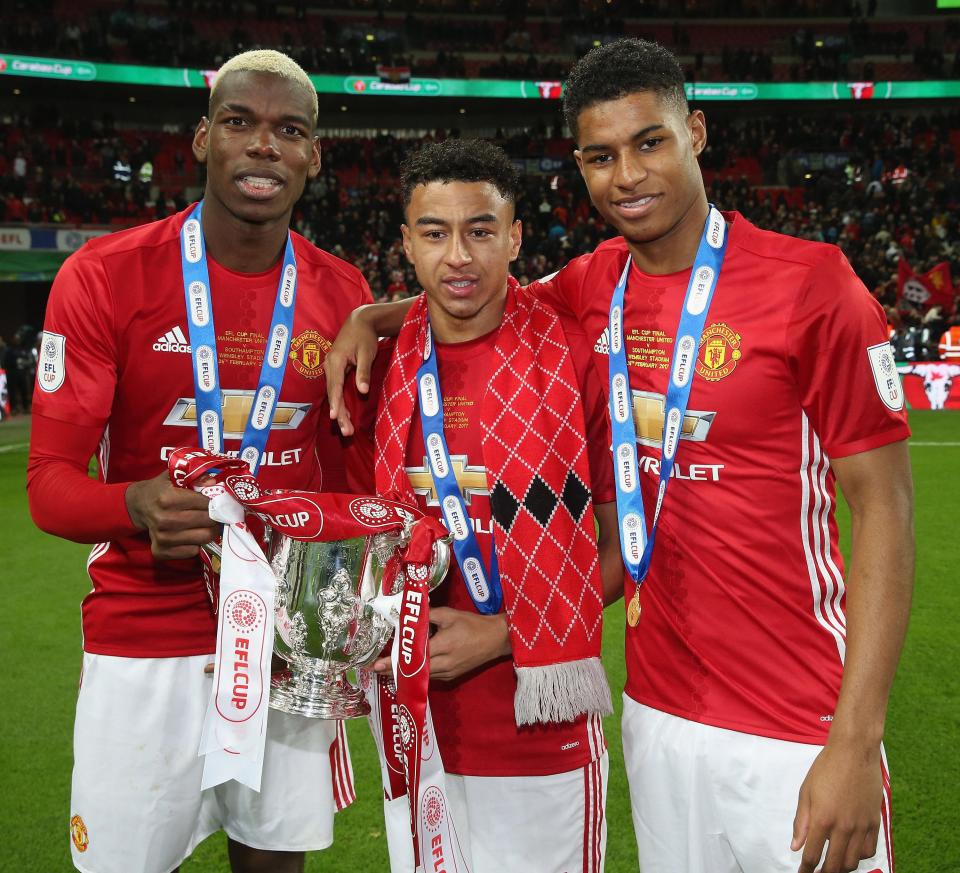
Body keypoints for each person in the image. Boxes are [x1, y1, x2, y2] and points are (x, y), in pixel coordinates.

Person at [326, 39, 914, 873]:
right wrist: (371, 318)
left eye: (650, 142)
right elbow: (466, 289)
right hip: (658, 717)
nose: (628, 175)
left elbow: (886, 508)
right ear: (580, 166)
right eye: (602, 156)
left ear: (697, 133)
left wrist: (855, 741)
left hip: (799, 722)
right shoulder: (594, 285)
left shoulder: (811, 284)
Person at [27, 50, 369, 873]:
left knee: (272, 865)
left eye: (289, 130)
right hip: (146, 635)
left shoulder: (342, 294)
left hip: (288, 643)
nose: (263, 147)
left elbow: (354, 493)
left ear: (313, 156)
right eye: (239, 123)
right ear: (201, 139)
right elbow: (49, 486)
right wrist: (133, 505)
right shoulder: (103, 277)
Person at [353, 139, 622, 873]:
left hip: (541, 729)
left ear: (515, 236)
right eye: (435, 233)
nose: (459, 255)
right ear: (406, 243)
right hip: (415, 727)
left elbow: (624, 543)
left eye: (480, 229)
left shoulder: (576, 352)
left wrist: (503, 634)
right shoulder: (376, 369)